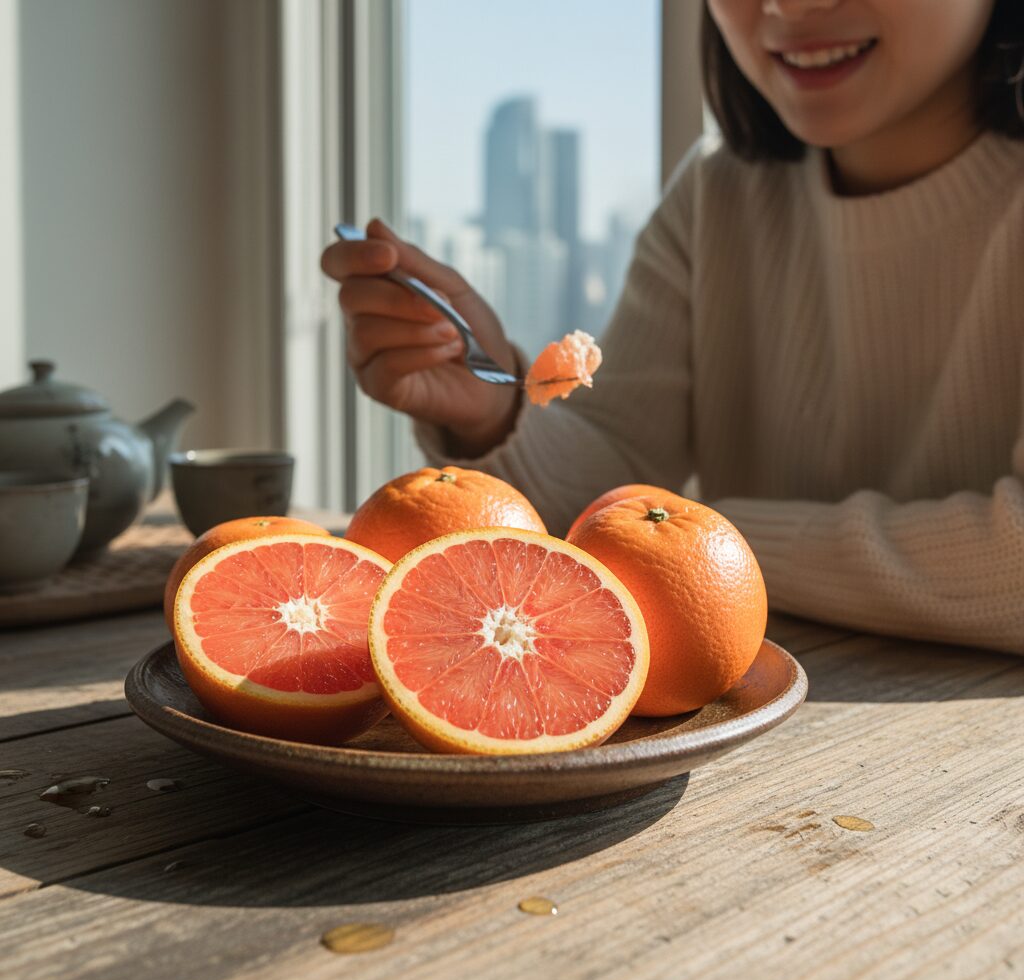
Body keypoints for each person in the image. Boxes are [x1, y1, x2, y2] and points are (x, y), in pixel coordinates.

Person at [320, 0, 1024, 656]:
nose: (788, 4)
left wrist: (701, 546)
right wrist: (493, 412)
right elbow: (616, 484)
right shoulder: (719, 194)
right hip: (756, 710)